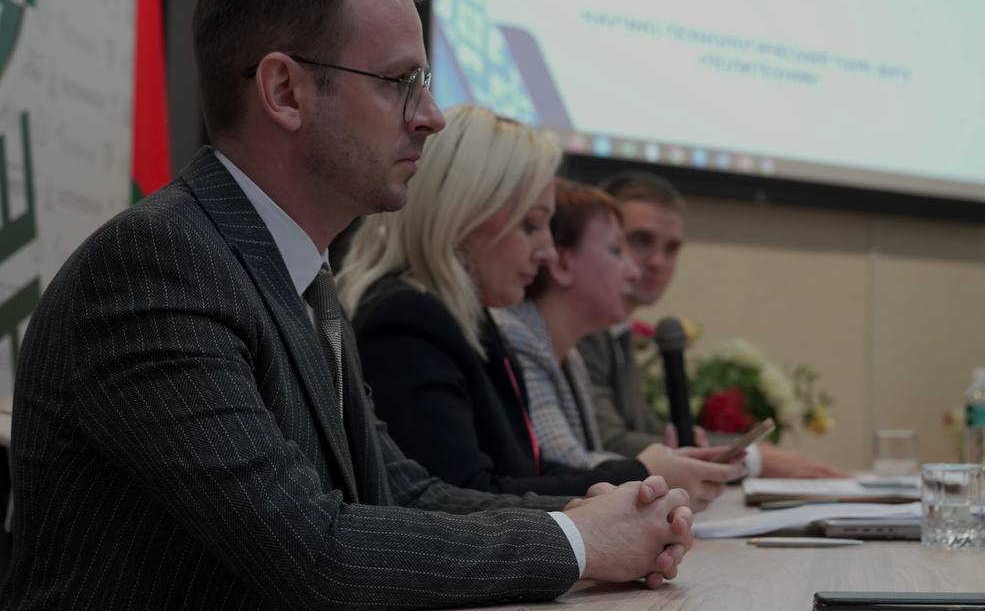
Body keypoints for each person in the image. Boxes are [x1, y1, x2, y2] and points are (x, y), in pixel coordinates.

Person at [0, 0, 693, 611]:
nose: (430, 117)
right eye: (400, 82)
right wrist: (574, 541)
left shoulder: (297, 271)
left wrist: (600, 514)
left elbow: (398, 491)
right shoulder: (159, 265)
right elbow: (310, 550)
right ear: (285, 91)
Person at [340, 104, 647, 495]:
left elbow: (527, 469)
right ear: (461, 216)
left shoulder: (473, 318)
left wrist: (633, 478)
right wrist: (636, 475)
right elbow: (463, 498)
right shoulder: (406, 320)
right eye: (531, 226)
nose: (547, 253)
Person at [493, 180, 743, 512]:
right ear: (562, 264)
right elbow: (564, 467)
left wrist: (664, 464)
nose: (633, 271)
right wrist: (650, 471)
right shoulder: (518, 338)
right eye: (616, 251)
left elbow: (580, 460)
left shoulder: (571, 354)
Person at [578, 171, 846, 478]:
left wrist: (749, 450)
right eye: (640, 240)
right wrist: (756, 459)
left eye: (671, 248)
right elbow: (608, 441)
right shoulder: (585, 330)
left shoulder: (617, 332)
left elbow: (655, 433)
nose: (657, 261)